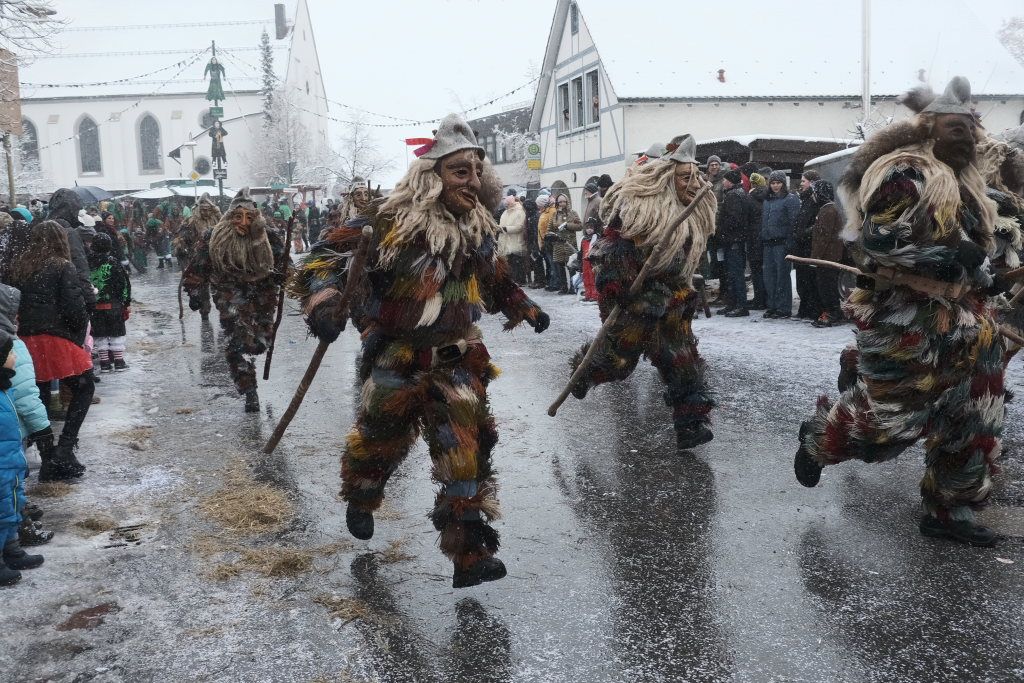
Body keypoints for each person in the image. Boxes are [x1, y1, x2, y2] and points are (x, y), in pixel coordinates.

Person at [290, 113, 549, 588]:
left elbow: (493, 279)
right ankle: (362, 496)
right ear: (433, 175)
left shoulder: (477, 226)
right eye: (460, 171)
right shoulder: (389, 220)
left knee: (466, 453)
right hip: (397, 355)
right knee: (378, 441)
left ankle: (469, 557)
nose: (471, 182)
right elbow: (322, 259)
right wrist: (325, 303)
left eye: (477, 171)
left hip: (457, 359)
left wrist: (523, 306)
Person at [793, 77, 1006, 547]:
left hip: (968, 318)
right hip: (907, 316)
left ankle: (950, 510)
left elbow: (984, 246)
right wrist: (948, 256)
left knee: (975, 412)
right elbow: (878, 242)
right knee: (892, 422)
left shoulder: (971, 184)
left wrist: (986, 269)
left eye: (971, 128)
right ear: (929, 129)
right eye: (956, 128)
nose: (968, 137)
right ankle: (820, 437)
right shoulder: (905, 174)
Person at [568, 134, 717, 450]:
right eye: (685, 178)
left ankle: (690, 425)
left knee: (682, 360)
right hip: (636, 300)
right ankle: (585, 371)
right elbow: (608, 251)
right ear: (665, 178)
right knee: (619, 362)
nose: (694, 184)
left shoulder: (692, 212)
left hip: (673, 301)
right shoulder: (635, 210)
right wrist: (619, 286)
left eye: (695, 176)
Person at [183, 189, 287, 413]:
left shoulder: (268, 235)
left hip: (263, 292)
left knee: (260, 340)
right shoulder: (214, 237)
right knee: (237, 340)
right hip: (229, 292)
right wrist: (194, 291)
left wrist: (283, 275)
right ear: (229, 217)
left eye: (249, 217)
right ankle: (249, 390)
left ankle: (253, 348)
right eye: (238, 217)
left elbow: (284, 264)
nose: (243, 222)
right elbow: (197, 267)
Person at [9, 221, 93, 479]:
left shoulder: (20, 267)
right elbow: (74, 308)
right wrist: (77, 336)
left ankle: (48, 456)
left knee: (39, 396)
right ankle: (65, 448)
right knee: (84, 387)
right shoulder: (62, 266)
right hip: (56, 337)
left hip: (26, 339)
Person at [0, 332, 44, 586]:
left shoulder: (5, 386)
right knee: (1, 510)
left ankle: (12, 551)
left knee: (12, 505)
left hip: (11, 462)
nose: (15, 357)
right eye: (9, 353)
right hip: (2, 464)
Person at [174, 194, 221, 321]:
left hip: (216, 260)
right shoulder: (192, 221)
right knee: (202, 289)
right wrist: (180, 246)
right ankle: (204, 312)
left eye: (208, 209)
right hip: (199, 261)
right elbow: (181, 238)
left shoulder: (218, 220)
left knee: (219, 289)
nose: (205, 212)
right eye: (203, 209)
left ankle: (223, 312)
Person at [88, 234, 131, 372]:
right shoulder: (114, 262)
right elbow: (124, 284)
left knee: (100, 335)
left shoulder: (87, 263)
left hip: (94, 306)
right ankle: (119, 361)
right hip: (113, 306)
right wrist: (126, 302)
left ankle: (104, 363)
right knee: (116, 333)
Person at [760, 171, 800, 318]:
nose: (775, 186)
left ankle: (783, 307)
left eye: (778, 183)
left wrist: (790, 242)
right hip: (768, 243)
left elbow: (794, 223)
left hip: (781, 243)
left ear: (783, 184)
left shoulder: (790, 199)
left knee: (782, 276)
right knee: (769, 277)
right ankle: (772, 305)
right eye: (773, 183)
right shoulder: (767, 201)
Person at [808, 180, 844, 327]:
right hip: (829, 256)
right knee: (827, 286)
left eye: (815, 192)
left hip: (827, 258)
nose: (813, 195)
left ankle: (832, 313)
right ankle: (832, 312)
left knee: (827, 287)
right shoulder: (828, 209)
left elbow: (823, 237)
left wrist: (815, 258)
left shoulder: (828, 211)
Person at [717, 169, 752, 317]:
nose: (723, 182)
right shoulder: (741, 193)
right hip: (736, 239)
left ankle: (740, 305)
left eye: (724, 180)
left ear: (730, 181)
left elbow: (734, 219)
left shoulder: (733, 195)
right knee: (733, 274)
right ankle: (732, 303)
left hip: (733, 241)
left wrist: (721, 230)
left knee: (735, 274)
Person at [792, 169, 823, 320]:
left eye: (804, 181)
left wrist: (804, 233)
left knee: (810, 280)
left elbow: (817, 224)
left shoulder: (816, 200)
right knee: (801, 280)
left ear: (811, 183)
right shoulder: (804, 199)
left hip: (808, 246)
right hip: (801, 245)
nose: (801, 184)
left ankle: (812, 309)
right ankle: (804, 308)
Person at [548, 193, 582, 294]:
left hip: (569, 244)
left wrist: (568, 225)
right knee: (559, 267)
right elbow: (549, 228)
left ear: (567, 202)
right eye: (560, 202)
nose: (562, 203)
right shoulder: (554, 215)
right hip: (558, 244)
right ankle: (563, 287)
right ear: (557, 203)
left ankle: (573, 287)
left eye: (564, 201)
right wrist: (552, 236)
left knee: (571, 266)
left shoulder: (573, 213)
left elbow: (580, 226)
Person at [746, 173, 768, 310]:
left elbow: (746, 217)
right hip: (765, 236)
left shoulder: (750, 197)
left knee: (756, 270)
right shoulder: (769, 196)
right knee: (764, 270)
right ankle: (765, 298)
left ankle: (759, 299)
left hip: (753, 237)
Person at [497, 196, 527, 283]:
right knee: (510, 263)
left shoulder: (519, 211)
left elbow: (519, 227)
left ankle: (520, 280)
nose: (506, 206)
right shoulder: (505, 212)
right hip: (507, 242)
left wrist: (505, 229)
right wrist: (499, 228)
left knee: (517, 263)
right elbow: (502, 225)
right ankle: (514, 279)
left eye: (507, 204)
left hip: (516, 241)